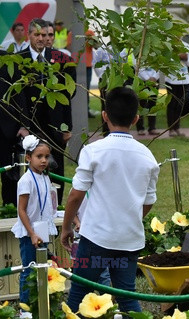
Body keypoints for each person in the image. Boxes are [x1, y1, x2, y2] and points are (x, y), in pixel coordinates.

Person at [61, 87, 160, 313]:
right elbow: (148, 201)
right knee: (126, 295)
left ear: (105, 116)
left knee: (79, 293)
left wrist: (66, 227)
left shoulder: (93, 151)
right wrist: (130, 218)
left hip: (94, 237)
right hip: (129, 239)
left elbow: (75, 195)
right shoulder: (148, 157)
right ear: (136, 119)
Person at [18, 18, 77, 205]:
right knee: (31, 169)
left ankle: (56, 208)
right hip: (30, 124)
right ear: (29, 36)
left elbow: (67, 97)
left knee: (55, 169)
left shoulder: (61, 60)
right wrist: (23, 125)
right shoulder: (20, 61)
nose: (41, 39)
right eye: (36, 35)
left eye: (44, 35)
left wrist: (67, 126)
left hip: (55, 125)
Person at [11, 135, 57, 304]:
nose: (44, 160)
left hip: (42, 230)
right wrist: (31, 233)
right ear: (28, 157)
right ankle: (25, 307)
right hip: (30, 232)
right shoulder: (26, 180)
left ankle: (41, 304)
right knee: (28, 269)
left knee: (42, 269)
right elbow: (21, 210)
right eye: (39, 156)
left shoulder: (45, 177)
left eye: (46, 157)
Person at [0, 50, 29, 206]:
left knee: (9, 175)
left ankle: (9, 209)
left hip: (7, 129)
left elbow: (20, 94)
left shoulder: (8, 59)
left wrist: (24, 125)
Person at [165, 41, 189, 137]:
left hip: (184, 79)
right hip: (171, 79)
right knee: (172, 104)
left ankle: (177, 128)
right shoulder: (168, 44)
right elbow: (165, 61)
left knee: (180, 104)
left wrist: (185, 57)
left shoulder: (186, 45)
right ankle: (171, 128)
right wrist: (176, 56)